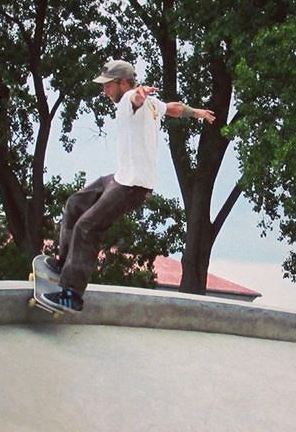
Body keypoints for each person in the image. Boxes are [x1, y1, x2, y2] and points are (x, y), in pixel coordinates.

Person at [42, 58, 215, 311]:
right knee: (75, 203)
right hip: (121, 177)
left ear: (123, 83)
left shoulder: (129, 99)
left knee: (87, 228)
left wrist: (139, 93)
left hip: (132, 186)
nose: (104, 91)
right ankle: (63, 260)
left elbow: (135, 99)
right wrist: (196, 112)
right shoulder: (153, 105)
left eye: (108, 86)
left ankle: (71, 294)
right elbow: (174, 108)